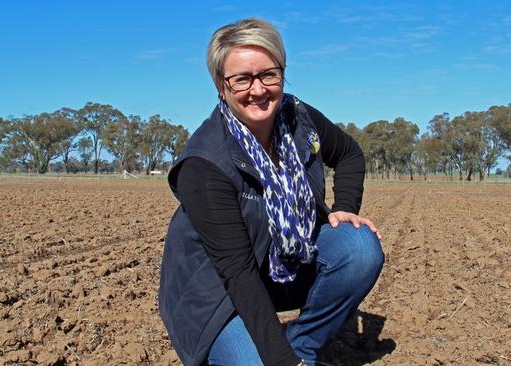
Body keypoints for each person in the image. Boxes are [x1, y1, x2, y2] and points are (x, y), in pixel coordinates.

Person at [158, 18, 384, 366]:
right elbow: (237, 272)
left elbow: (350, 153)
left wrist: (345, 206)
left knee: (359, 248)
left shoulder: (298, 117)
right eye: (242, 79)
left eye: (268, 74)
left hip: (282, 263)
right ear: (221, 85)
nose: (259, 89)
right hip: (215, 291)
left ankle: (302, 345)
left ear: (283, 71)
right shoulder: (204, 163)